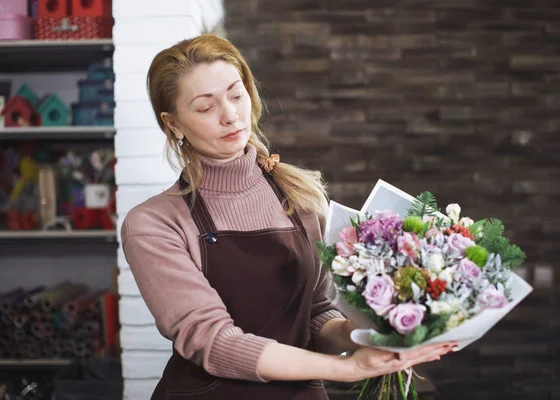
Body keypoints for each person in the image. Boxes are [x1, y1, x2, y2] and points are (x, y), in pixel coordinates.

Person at [121, 34, 456, 399]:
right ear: (173, 123)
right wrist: (346, 369)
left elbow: (315, 314)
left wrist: (366, 334)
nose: (230, 115)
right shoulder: (154, 223)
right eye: (205, 107)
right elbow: (211, 341)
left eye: (236, 94)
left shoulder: (301, 197)